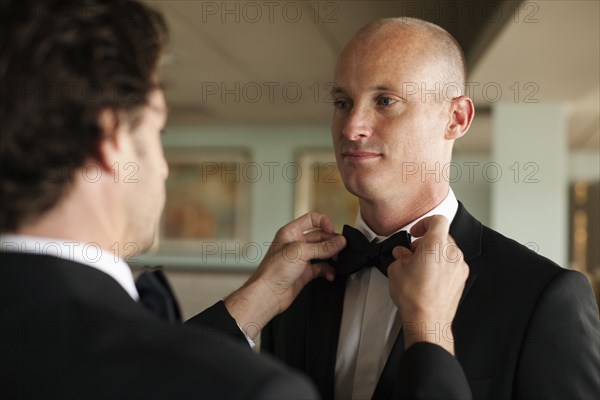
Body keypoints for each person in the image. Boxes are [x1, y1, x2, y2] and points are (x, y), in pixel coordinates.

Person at [0, 1, 349, 398]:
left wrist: (258, 298)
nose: (165, 168)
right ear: (111, 138)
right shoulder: (255, 390)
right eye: (158, 131)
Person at [262, 17, 600, 400]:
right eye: (343, 103)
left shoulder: (543, 296)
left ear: (456, 119)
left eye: (385, 101)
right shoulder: (296, 281)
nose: (351, 127)